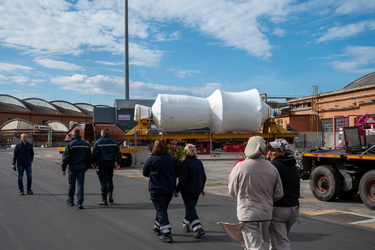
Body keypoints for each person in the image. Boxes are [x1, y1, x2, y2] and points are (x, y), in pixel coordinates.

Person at [228, 136, 284, 250]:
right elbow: (279, 193)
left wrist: (243, 197)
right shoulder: (272, 168)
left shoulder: (240, 167)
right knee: (258, 243)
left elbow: (232, 191)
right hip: (266, 213)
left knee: (254, 246)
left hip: (247, 213)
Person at [143, 139, 179, 243]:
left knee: (161, 210)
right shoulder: (172, 159)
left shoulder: (151, 159)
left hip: (156, 188)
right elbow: (177, 173)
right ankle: (157, 227)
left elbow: (145, 172)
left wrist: (154, 174)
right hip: (169, 188)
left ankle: (167, 233)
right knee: (162, 209)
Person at [268, 139, 300, 250]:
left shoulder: (273, 166)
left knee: (281, 242)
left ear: (282, 152)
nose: (270, 152)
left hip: (279, 209)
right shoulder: (293, 167)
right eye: (270, 150)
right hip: (293, 209)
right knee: (277, 240)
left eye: (274, 150)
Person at [174, 144, 207, 239]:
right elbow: (203, 177)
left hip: (187, 189)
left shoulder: (185, 163)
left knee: (190, 207)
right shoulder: (199, 162)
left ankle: (197, 227)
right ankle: (186, 223)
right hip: (197, 188)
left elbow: (183, 179)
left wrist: (177, 189)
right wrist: (201, 188)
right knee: (190, 207)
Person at [61, 129, 91, 209]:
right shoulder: (86, 144)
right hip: (82, 166)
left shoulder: (70, 144)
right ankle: (80, 202)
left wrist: (63, 168)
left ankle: (70, 200)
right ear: (80, 134)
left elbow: (66, 158)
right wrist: (87, 166)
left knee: (72, 184)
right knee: (80, 184)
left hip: (73, 166)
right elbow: (89, 157)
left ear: (73, 135)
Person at [92, 128, 122, 205]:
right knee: (110, 179)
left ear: (102, 133)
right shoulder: (114, 142)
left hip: (102, 163)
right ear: (108, 133)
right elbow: (118, 153)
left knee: (103, 181)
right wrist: (118, 162)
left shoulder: (98, 142)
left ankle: (104, 199)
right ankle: (110, 196)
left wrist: (94, 162)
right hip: (111, 163)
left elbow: (95, 154)